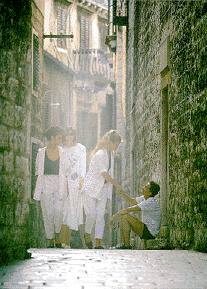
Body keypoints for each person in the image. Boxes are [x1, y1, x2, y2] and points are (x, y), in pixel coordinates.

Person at [81, 130, 123, 249]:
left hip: (103, 188)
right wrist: (117, 185)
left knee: (100, 215)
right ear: (110, 142)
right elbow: (104, 173)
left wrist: (111, 187)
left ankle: (98, 243)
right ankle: (87, 233)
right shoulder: (100, 154)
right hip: (91, 187)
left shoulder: (111, 156)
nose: (117, 147)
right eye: (116, 144)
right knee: (92, 215)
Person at [33, 126, 67, 248]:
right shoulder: (41, 152)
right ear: (52, 138)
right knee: (48, 212)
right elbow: (38, 171)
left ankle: (57, 233)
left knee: (59, 211)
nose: (60, 139)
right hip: (46, 182)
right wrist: (37, 188)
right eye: (59, 137)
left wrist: (67, 187)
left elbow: (67, 171)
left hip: (59, 182)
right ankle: (50, 238)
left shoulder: (63, 152)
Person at [109, 181, 162, 249]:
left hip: (149, 233)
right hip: (145, 229)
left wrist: (114, 217)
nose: (143, 187)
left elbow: (129, 209)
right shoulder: (144, 198)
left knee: (125, 217)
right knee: (123, 216)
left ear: (150, 193)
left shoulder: (151, 201)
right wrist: (122, 194)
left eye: (146, 187)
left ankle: (127, 245)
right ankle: (123, 244)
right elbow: (130, 200)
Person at [61, 127, 86, 248]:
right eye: (67, 134)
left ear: (74, 135)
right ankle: (62, 241)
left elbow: (83, 165)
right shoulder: (61, 150)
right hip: (64, 184)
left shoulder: (80, 148)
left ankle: (67, 243)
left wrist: (82, 179)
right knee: (63, 212)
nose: (69, 137)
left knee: (73, 211)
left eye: (71, 134)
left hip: (76, 183)